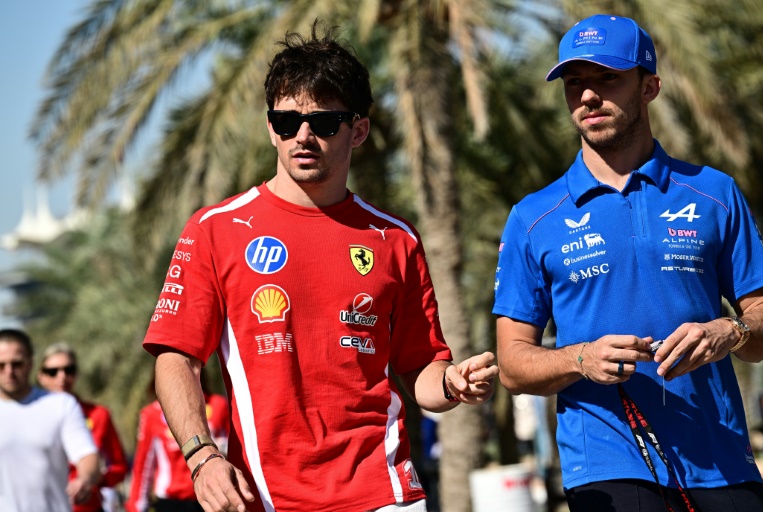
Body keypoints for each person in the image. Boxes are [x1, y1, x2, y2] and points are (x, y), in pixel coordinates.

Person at [142, 20, 498, 512]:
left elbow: (421, 371)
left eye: (325, 123)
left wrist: (453, 384)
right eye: (288, 122)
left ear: (358, 131)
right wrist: (203, 457)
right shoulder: (214, 229)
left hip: (385, 493)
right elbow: (176, 358)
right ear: (271, 128)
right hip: (266, 497)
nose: (303, 136)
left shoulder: (395, 239)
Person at [494, 13, 763, 512]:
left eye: (607, 78)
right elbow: (512, 365)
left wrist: (731, 331)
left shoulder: (714, 193)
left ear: (650, 87)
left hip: (722, 459)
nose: (588, 97)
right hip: (606, 466)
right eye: (575, 83)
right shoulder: (533, 217)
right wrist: (581, 358)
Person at [0, 328, 100, 512]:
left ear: (30, 363)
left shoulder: (60, 405)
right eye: (1, 365)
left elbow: (87, 455)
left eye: (17, 364)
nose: (9, 372)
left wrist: (84, 479)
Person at [38, 342, 129, 512]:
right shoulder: (29, 416)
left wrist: (92, 480)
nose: (62, 377)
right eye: (53, 372)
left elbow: (118, 466)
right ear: (41, 376)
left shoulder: (99, 415)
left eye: (68, 370)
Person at [126, 374, 229, 512]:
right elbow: (143, 467)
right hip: (171, 503)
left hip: (213, 497)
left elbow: (237, 451)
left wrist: (219, 447)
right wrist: (136, 507)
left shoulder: (218, 405)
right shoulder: (151, 414)